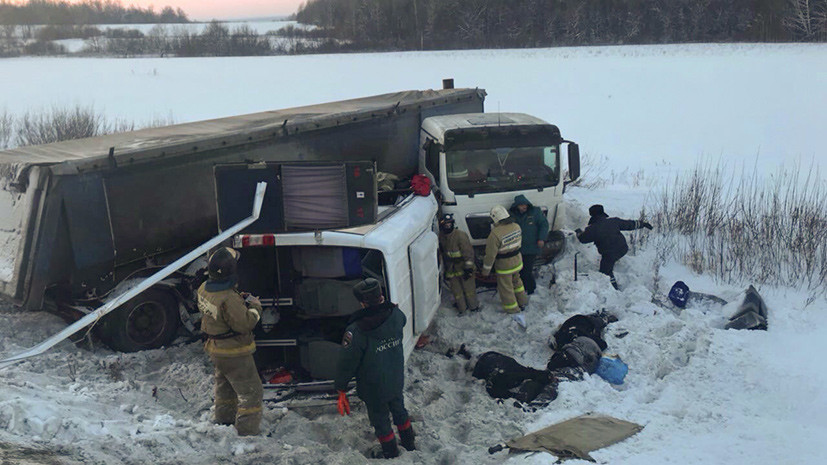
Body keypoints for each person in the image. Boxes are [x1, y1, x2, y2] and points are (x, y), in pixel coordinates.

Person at [335, 278, 415, 459]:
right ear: (381, 296)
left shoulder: (356, 330)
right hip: (395, 378)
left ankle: (391, 453)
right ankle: (409, 443)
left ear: (362, 303)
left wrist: (341, 387)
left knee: (380, 419)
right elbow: (401, 321)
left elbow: (347, 362)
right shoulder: (396, 314)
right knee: (399, 409)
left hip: (373, 386)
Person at [196, 246, 264, 436]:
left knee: (225, 388)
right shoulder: (229, 299)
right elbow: (244, 324)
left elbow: (219, 310)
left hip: (216, 349)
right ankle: (247, 432)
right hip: (234, 352)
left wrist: (237, 300)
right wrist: (255, 308)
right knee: (251, 392)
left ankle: (224, 420)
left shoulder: (203, 289)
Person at [575, 205, 652, 290]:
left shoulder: (592, 229)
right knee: (611, 257)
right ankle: (615, 263)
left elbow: (583, 239)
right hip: (623, 248)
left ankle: (614, 290)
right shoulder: (613, 221)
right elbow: (629, 224)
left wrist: (578, 232)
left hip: (609, 254)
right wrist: (643, 224)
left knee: (605, 272)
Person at [481, 205, 528, 316]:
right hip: (517, 261)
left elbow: (490, 255)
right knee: (517, 282)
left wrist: (485, 271)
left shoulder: (495, 234)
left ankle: (512, 310)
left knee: (506, 288)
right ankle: (522, 302)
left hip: (504, 266)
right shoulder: (516, 226)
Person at [438, 213, 479, 313]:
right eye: (445, 224)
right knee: (457, 292)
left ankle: (473, 307)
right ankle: (462, 308)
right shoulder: (441, 237)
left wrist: (469, 269)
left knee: (469, 290)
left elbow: (469, 253)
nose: (448, 226)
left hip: (463, 267)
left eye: (449, 224)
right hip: (451, 269)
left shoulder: (460, 235)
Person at [510, 195, 549, 295]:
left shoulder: (535, 212)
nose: (524, 207)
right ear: (517, 206)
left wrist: (541, 238)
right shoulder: (512, 214)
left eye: (525, 204)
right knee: (520, 270)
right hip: (518, 248)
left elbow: (544, 225)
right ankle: (523, 288)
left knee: (526, 270)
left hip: (532, 247)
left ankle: (531, 289)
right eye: (522, 205)